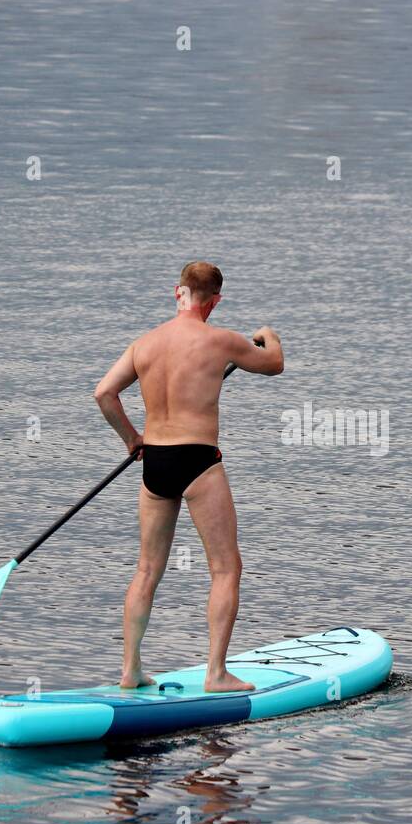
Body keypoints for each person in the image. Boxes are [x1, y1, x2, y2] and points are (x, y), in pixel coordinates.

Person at [93, 262, 283, 692]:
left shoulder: (144, 345)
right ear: (214, 301)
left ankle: (130, 670)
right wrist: (268, 333)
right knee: (225, 569)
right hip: (198, 461)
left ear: (176, 293)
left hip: (155, 462)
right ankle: (215, 674)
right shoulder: (221, 341)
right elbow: (274, 364)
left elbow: (103, 393)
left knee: (146, 570)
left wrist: (132, 439)